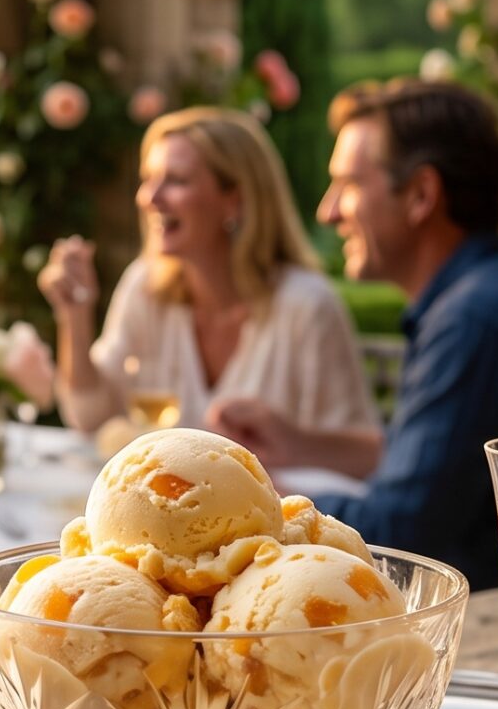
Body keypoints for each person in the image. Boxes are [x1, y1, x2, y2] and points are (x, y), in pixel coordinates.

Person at [216, 79, 498, 591]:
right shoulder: (497, 292)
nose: (329, 211)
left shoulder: (475, 320)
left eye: (348, 185)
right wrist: (297, 443)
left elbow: (398, 533)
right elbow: (419, 464)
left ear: (420, 196)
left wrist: (248, 494)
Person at [40, 106, 373, 452]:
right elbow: (88, 418)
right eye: (148, 178)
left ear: (235, 199)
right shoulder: (146, 287)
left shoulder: (307, 305)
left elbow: (369, 456)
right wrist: (75, 317)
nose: (149, 198)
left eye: (177, 180)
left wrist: (289, 442)